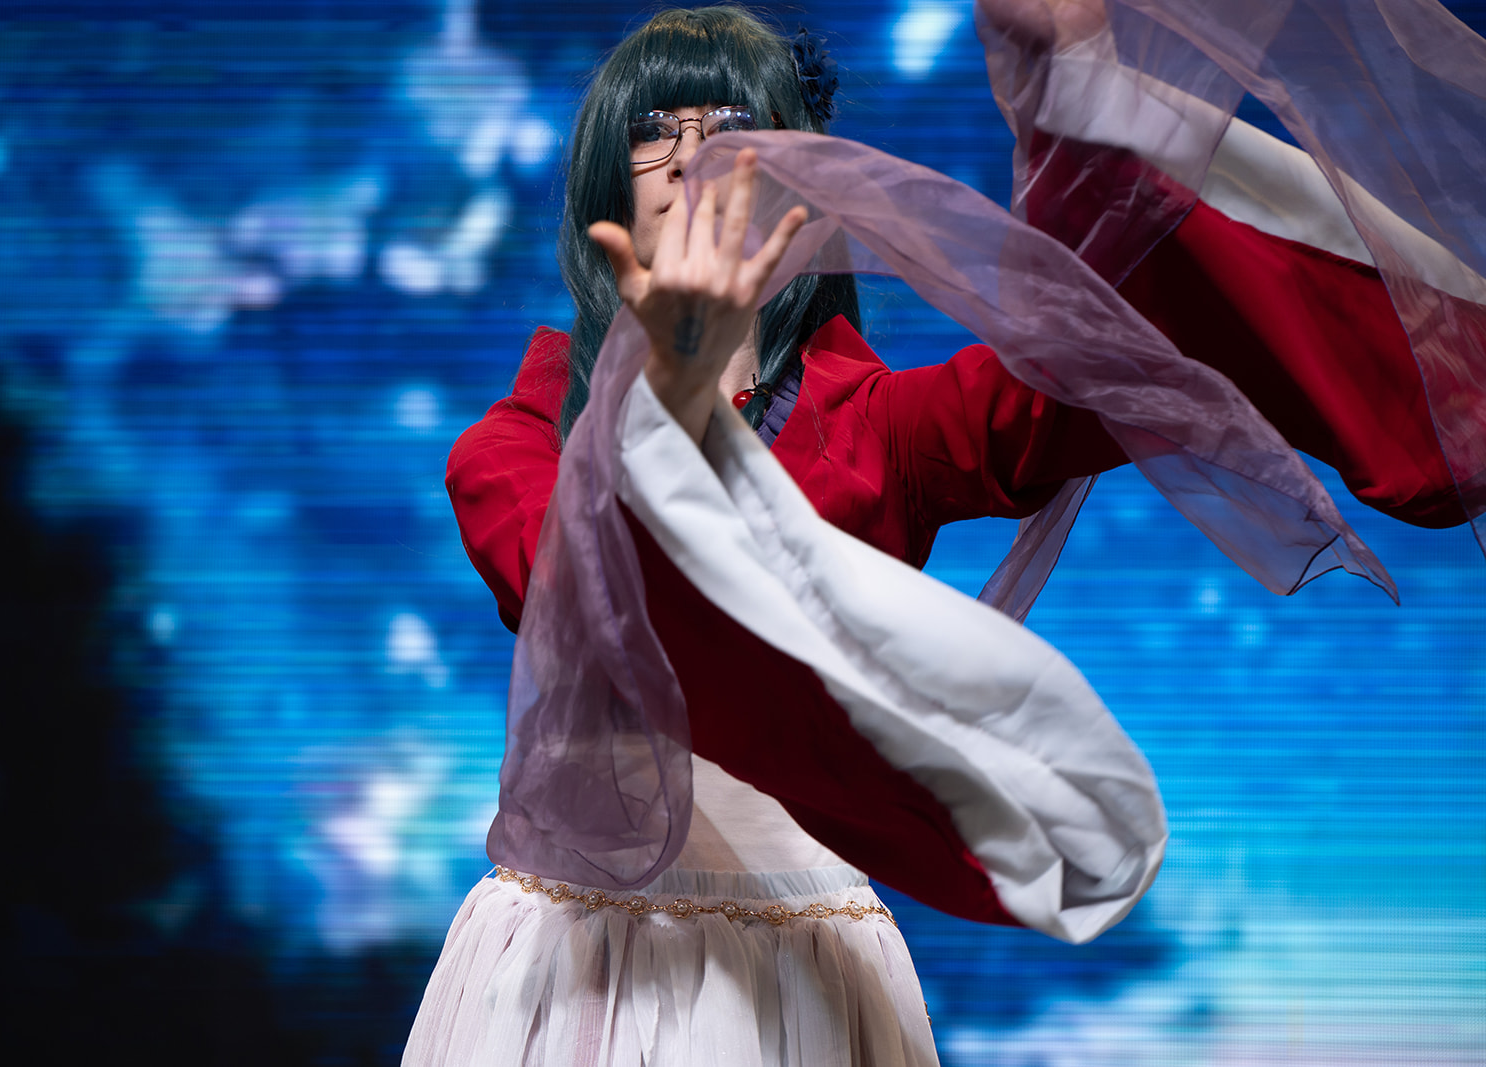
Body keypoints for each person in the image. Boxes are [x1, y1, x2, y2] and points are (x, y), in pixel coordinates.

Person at [406, 4, 1481, 1064]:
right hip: (574, 976)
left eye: (729, 121)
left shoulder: (882, 429)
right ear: (604, 186)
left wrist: (1087, 107)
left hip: (800, 978)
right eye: (654, 128)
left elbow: (1110, 361)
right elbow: (584, 587)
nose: (692, 153)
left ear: (798, 180)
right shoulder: (514, 445)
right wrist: (670, 392)